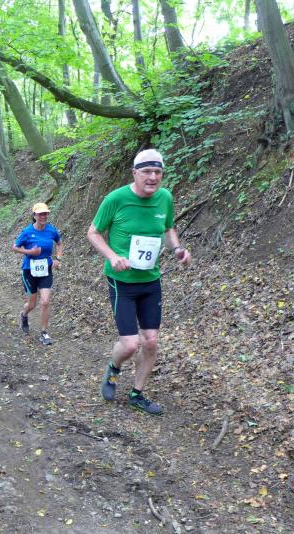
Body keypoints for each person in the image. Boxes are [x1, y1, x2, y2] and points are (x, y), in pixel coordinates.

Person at [86, 149, 192, 415]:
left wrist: (178, 249)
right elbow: (94, 232)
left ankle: (137, 393)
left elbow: (168, 228)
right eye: (146, 171)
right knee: (130, 344)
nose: (152, 177)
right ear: (134, 173)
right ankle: (113, 368)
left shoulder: (165, 198)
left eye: (158, 172)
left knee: (151, 341)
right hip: (121, 282)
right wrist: (113, 256)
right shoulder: (116, 199)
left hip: (150, 281)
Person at [11, 202, 63, 346]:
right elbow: (14, 248)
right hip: (29, 271)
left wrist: (58, 258)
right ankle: (24, 315)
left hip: (46, 270)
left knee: (45, 302)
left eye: (45, 213)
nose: (43, 216)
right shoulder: (27, 232)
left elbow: (59, 243)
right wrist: (30, 252)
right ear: (34, 215)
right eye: (40, 214)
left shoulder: (51, 230)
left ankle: (44, 333)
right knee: (32, 304)